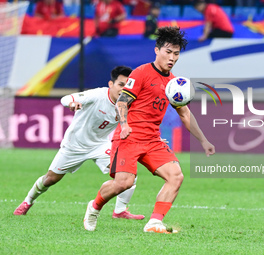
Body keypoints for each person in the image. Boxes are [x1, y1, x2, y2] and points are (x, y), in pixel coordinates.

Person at [83, 26, 215, 233]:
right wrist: (125, 125)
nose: (172, 58)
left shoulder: (173, 84)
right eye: (168, 52)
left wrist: (204, 141)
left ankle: (154, 222)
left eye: (176, 54)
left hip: (152, 140)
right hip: (129, 137)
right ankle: (95, 205)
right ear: (157, 50)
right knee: (124, 183)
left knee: (176, 176)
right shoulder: (141, 73)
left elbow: (185, 114)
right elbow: (122, 102)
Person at [14, 66, 145, 220]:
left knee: (129, 173)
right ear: (111, 84)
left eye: (127, 86)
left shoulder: (128, 103)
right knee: (51, 179)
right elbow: (66, 98)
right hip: (74, 145)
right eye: (120, 85)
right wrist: (72, 103)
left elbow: (137, 123)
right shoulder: (97, 95)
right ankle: (27, 201)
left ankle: (120, 211)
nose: (123, 90)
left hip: (100, 145)